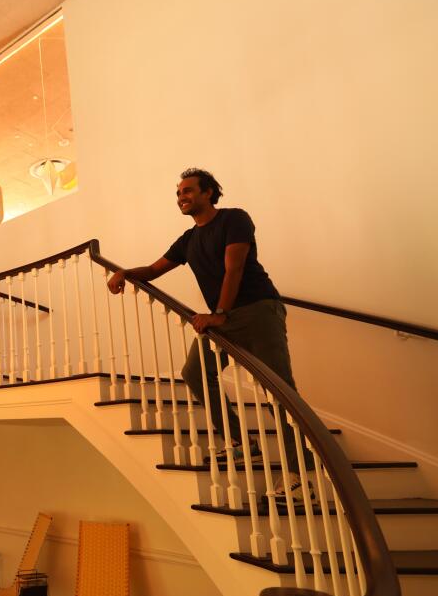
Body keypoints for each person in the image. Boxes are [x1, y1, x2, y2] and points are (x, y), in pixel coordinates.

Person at [106, 168, 308, 496]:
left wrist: (219, 314)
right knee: (196, 372)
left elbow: (235, 268)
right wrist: (124, 272)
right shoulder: (189, 240)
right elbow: (155, 269)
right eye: (178, 194)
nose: (181, 197)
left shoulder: (234, 219)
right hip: (224, 319)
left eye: (188, 191)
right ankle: (242, 441)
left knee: (278, 389)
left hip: (257, 311)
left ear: (209, 192)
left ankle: (300, 475)